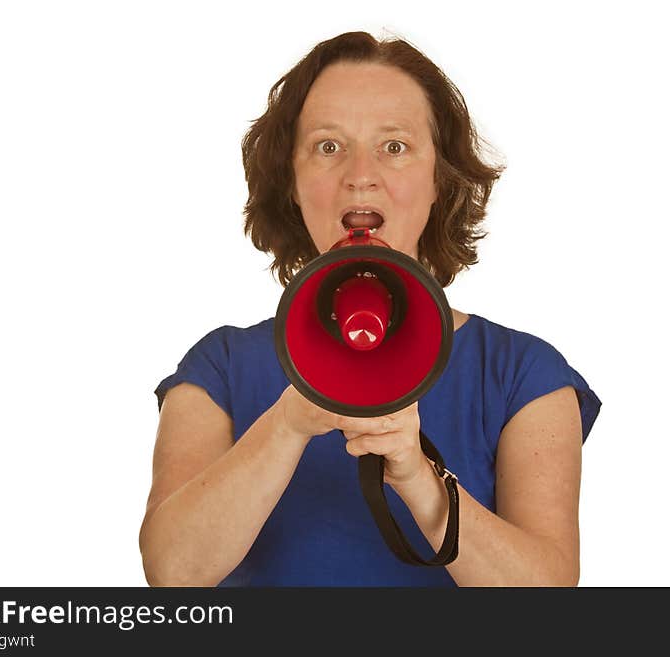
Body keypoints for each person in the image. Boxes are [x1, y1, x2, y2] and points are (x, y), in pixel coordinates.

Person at [139, 31, 602, 587]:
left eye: (395, 146)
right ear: (292, 180)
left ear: (440, 180)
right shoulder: (220, 366)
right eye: (328, 146)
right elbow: (174, 573)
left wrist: (418, 478)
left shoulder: (523, 373)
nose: (360, 174)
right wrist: (288, 423)